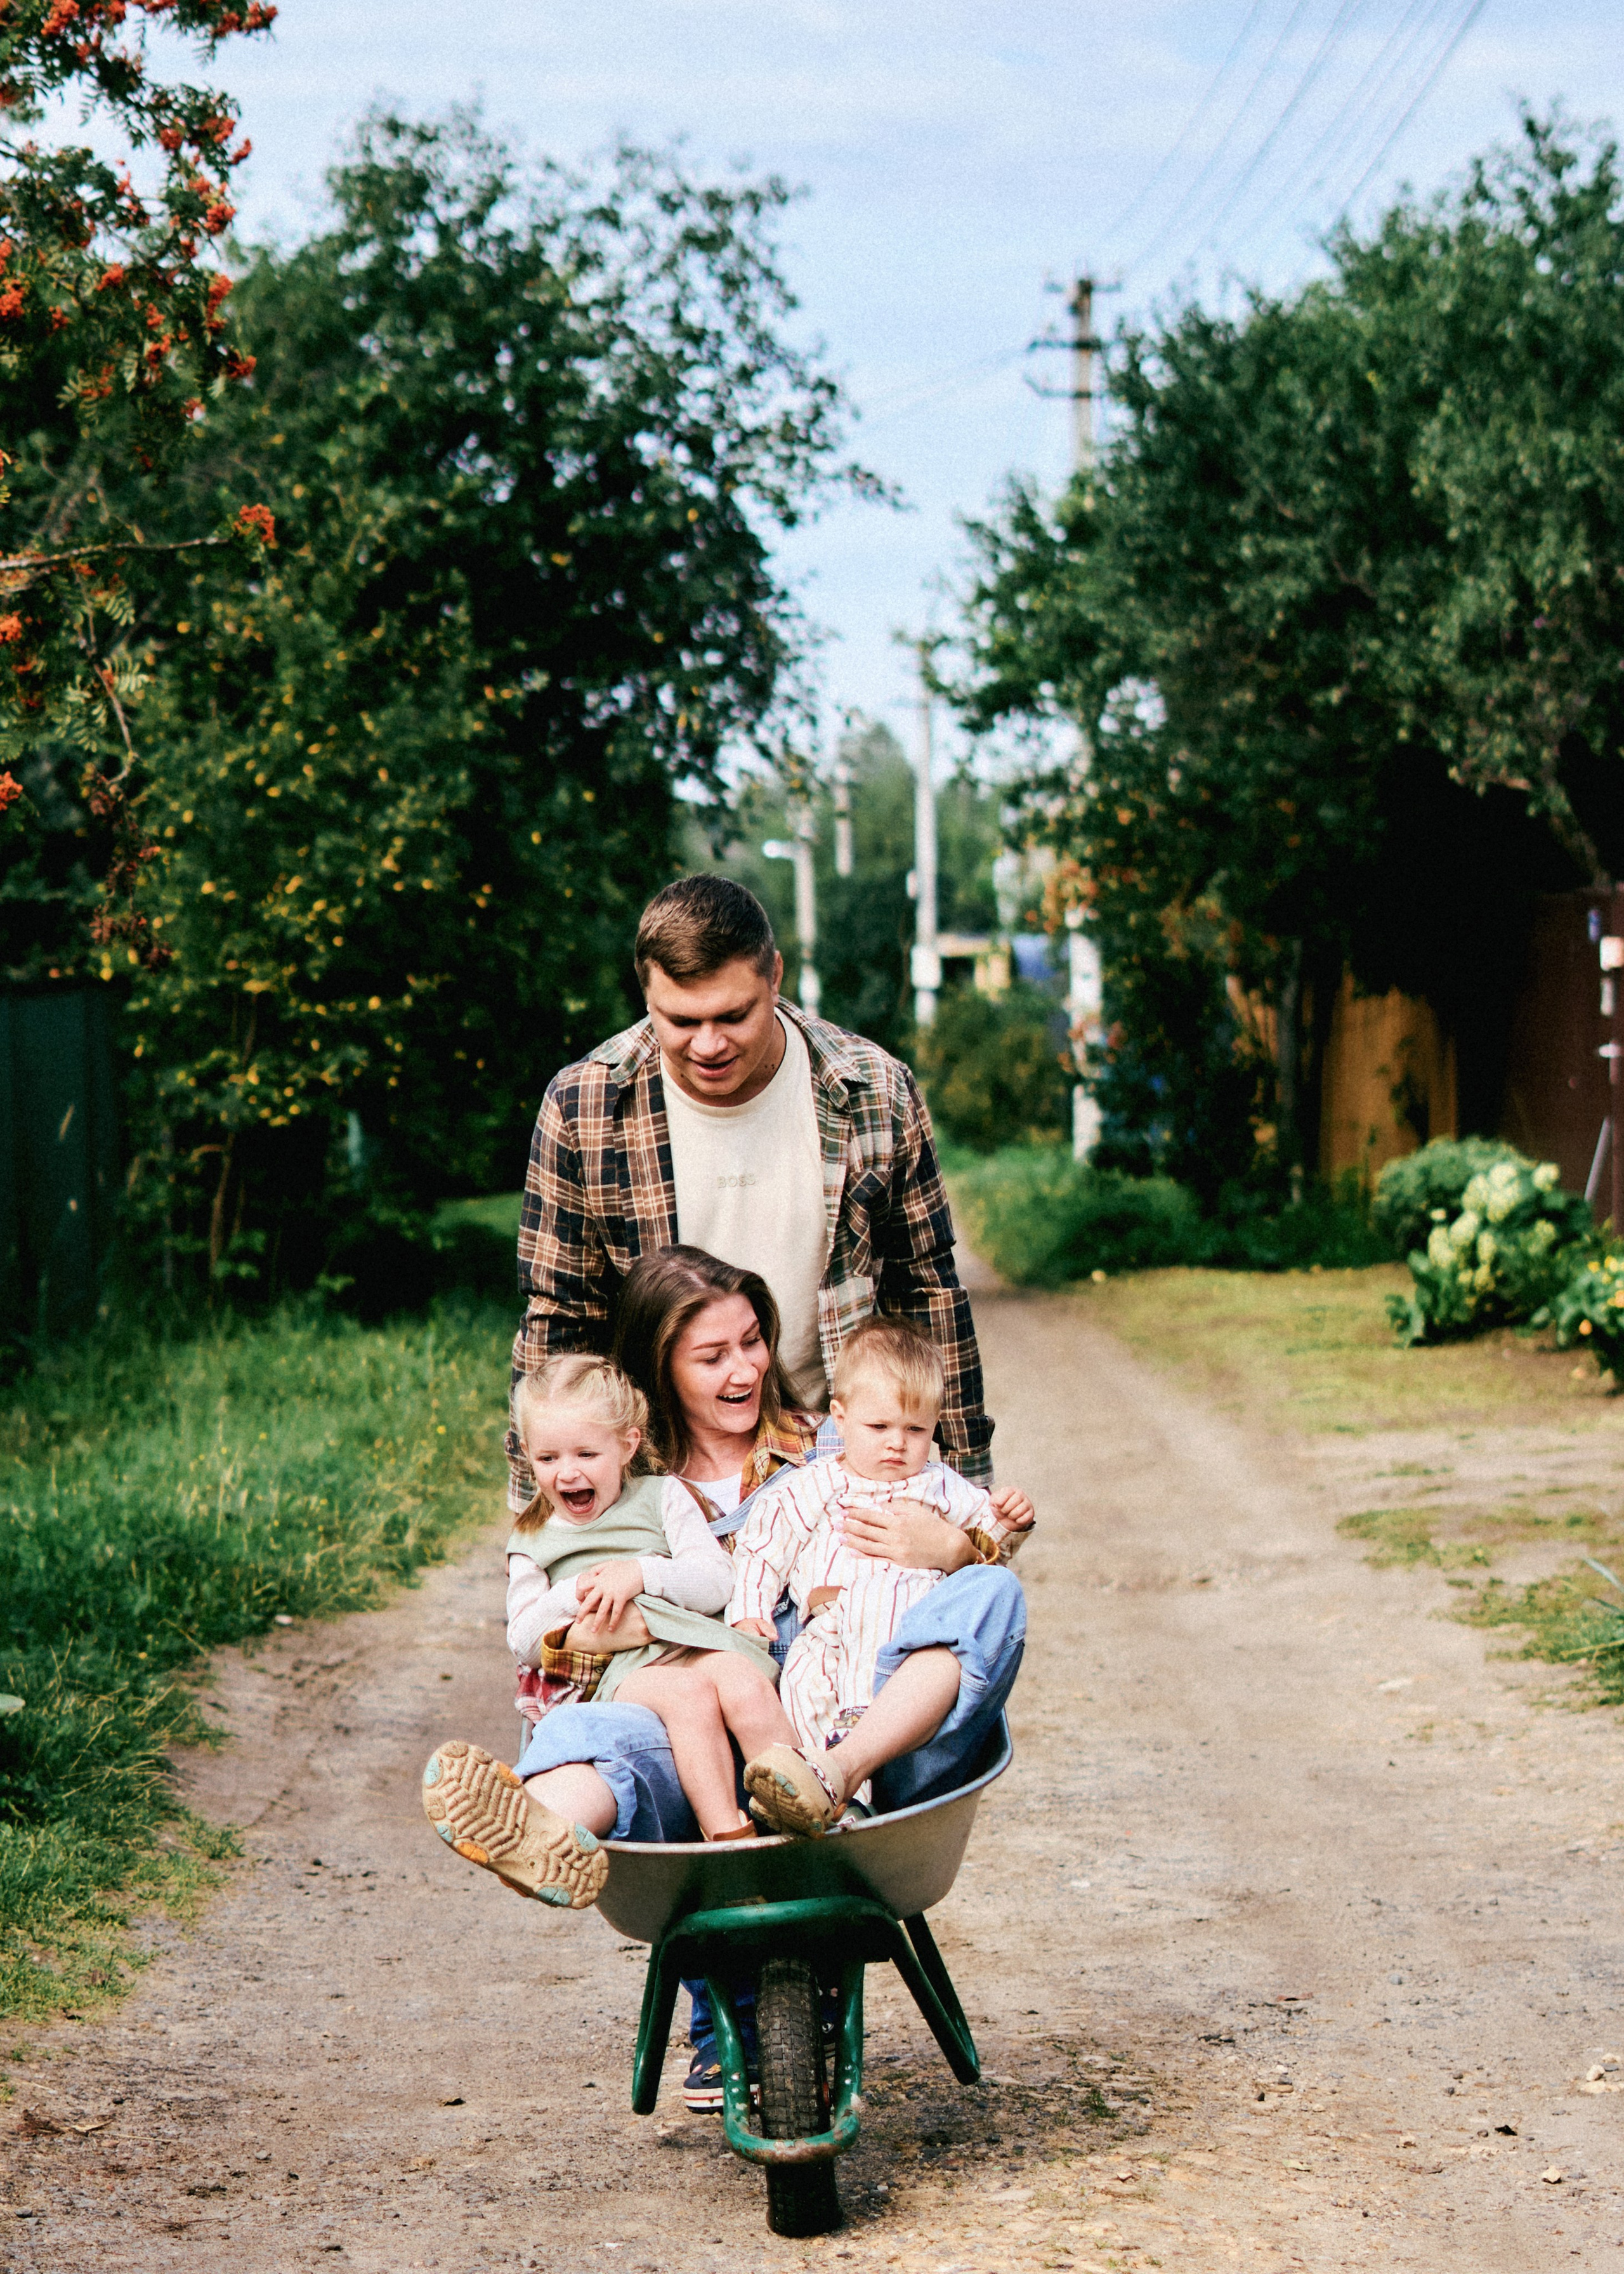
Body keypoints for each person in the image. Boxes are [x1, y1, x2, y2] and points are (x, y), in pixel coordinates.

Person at [508, 872, 993, 1515]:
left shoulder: (873, 1090)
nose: (708, 1045)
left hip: (839, 1465)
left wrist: (966, 1494)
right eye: (681, 1021)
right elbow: (559, 1325)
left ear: (775, 977)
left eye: (734, 1015)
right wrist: (536, 1531)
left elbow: (927, 1292)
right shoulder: (585, 1106)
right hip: (657, 1476)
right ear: (645, 992)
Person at [422, 1355, 795, 1879]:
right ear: (528, 1455)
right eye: (548, 1457)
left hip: (692, 1641)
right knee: (687, 1697)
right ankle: (729, 1840)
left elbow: (718, 1581)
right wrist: (573, 1591)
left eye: (586, 1453)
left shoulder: (663, 1497)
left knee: (745, 1681)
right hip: (623, 1673)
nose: (568, 1471)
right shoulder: (532, 1540)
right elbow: (525, 1640)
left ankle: (806, 1801)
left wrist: (641, 1574)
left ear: (627, 1445)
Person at [731, 1315, 1026, 1838]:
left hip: (909, 1655)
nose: (898, 1445)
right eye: (880, 1427)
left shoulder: (939, 1485)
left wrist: (1004, 1523)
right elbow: (762, 1549)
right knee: (802, 1688)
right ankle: (821, 1795)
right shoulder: (814, 1486)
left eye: (916, 1430)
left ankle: (852, 1779)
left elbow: (985, 1545)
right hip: (830, 1636)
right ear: (839, 1419)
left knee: (960, 1596)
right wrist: (751, 1612)